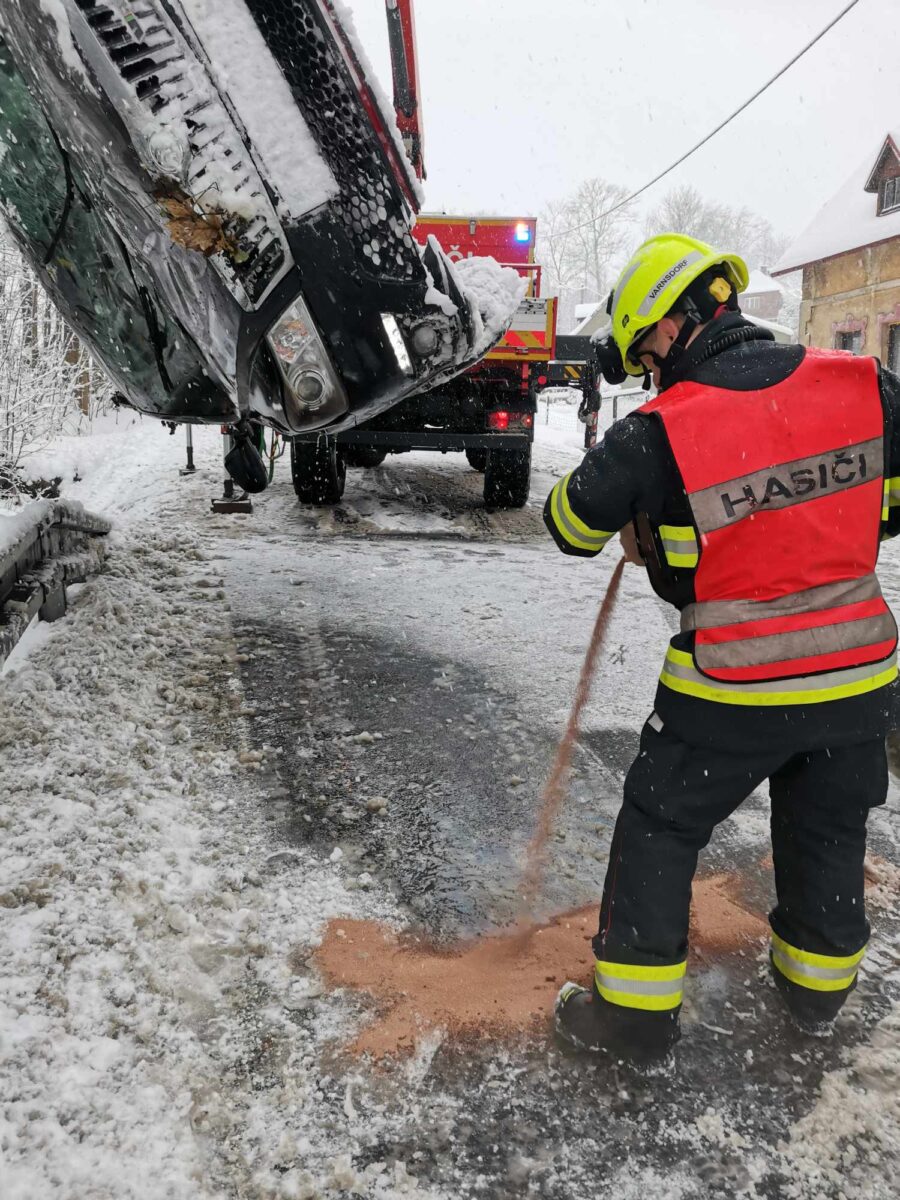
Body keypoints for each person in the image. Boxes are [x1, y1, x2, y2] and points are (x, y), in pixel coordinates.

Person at [544, 232, 900, 1060]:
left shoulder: (659, 429)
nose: (646, 374)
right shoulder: (867, 386)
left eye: (642, 356)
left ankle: (632, 1018)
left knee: (661, 825)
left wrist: (645, 514)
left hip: (732, 689)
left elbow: (567, 523)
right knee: (827, 827)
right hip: (856, 683)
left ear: (670, 325)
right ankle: (816, 997)